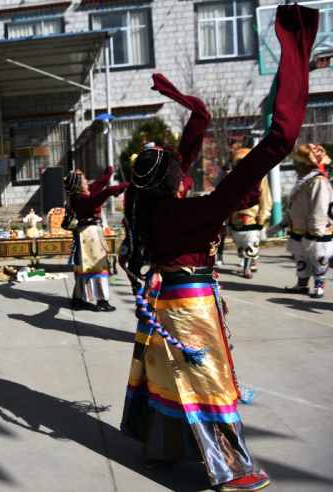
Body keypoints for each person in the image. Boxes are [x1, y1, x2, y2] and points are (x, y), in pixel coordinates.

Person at [119, 6, 316, 491]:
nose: (184, 165)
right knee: (208, 382)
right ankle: (230, 466)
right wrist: (294, 65)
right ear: (176, 177)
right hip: (191, 308)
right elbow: (276, 142)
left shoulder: (149, 204)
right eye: (177, 164)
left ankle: (161, 449)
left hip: (164, 302)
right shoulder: (198, 211)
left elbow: (200, 120)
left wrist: (178, 97)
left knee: (168, 376)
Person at [63, 167, 128, 312]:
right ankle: (101, 300)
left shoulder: (85, 193)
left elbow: (100, 183)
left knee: (87, 268)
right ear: (79, 184)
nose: (87, 181)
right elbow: (103, 194)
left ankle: (79, 299)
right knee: (97, 267)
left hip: (91, 234)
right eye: (84, 179)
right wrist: (127, 185)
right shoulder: (80, 199)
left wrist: (109, 172)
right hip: (88, 235)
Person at [284, 143, 332, 298]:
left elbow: (320, 207)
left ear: (305, 164)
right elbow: (295, 205)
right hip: (300, 228)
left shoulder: (318, 181)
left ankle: (319, 285)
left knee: (319, 258)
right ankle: (302, 284)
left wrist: (317, 230)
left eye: (297, 162)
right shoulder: (304, 180)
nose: (295, 166)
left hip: (315, 231)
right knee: (301, 257)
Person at [228, 148, 273, 279]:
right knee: (241, 245)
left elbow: (266, 198)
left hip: (251, 217)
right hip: (235, 217)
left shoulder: (260, 177)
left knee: (251, 244)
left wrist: (262, 218)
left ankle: (247, 268)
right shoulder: (232, 178)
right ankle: (246, 263)